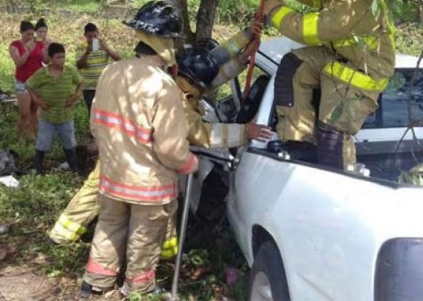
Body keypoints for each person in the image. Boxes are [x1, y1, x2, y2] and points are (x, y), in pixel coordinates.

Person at [49, 23, 272, 256]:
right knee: (139, 200)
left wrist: (246, 43)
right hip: (137, 154)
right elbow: (202, 134)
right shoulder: (177, 97)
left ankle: (67, 233)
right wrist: (245, 132)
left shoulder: (178, 74)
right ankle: (71, 235)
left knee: (110, 189)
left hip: (120, 144)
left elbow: (214, 70)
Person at [80, 0, 199, 298]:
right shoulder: (163, 85)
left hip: (113, 176)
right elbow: (170, 149)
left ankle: (96, 281)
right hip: (149, 186)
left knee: (108, 228)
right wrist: (188, 164)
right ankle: (139, 287)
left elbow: (95, 124)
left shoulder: (111, 72)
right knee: (144, 239)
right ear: (167, 42)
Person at [263, 0, 396, 170]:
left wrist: (276, 11)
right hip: (341, 57)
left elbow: (309, 29)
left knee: (332, 135)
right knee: (294, 66)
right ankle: (298, 141)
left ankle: (339, 182)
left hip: (363, 71)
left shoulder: (354, 0)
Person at [27, 43, 83, 174]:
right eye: (58, 57)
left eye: (63, 57)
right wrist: (37, 100)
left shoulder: (70, 70)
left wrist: (76, 96)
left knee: (69, 142)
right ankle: (38, 166)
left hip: (65, 115)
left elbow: (81, 83)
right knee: (43, 142)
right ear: (51, 58)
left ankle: (73, 166)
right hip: (48, 116)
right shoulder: (42, 73)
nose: (62, 60)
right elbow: (29, 85)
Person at [9, 21, 48, 142]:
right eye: (27, 34)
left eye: (32, 34)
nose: (30, 37)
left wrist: (47, 48)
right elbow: (19, 63)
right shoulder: (15, 45)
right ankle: (20, 136)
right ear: (21, 33)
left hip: (36, 82)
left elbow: (46, 61)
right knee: (24, 113)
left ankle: (32, 134)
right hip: (22, 81)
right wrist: (27, 50)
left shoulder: (38, 44)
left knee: (34, 110)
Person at [76, 22, 121, 112]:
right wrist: (86, 53)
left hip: (104, 85)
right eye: (89, 36)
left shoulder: (105, 45)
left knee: (106, 112)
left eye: (95, 36)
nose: (93, 39)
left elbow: (119, 59)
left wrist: (106, 49)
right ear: (85, 35)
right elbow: (79, 66)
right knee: (92, 113)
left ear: (98, 33)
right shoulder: (81, 47)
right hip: (89, 88)